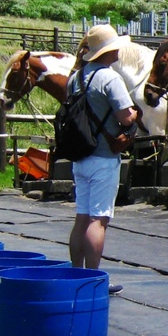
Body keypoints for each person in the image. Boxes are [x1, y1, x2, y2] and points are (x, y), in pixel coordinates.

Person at [66, 24, 138, 272]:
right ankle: (94, 277)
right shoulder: (109, 77)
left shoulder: (75, 77)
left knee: (82, 217)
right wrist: (135, 114)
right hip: (104, 157)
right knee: (98, 220)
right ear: (108, 51)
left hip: (81, 156)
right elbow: (126, 117)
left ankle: (77, 272)